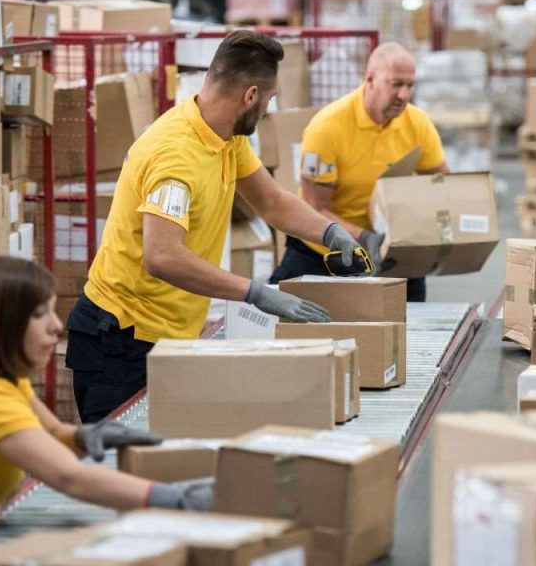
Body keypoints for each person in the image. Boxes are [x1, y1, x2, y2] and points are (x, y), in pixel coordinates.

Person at [67, 30, 364, 423]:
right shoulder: (175, 157)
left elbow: (271, 201)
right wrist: (254, 292)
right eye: (270, 100)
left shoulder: (224, 136)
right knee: (123, 470)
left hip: (166, 336)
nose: (269, 111)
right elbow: (162, 256)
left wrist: (328, 233)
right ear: (251, 96)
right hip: (121, 341)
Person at [0, 257, 212, 566]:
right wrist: (172, 497)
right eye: (40, 314)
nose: (57, 326)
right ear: (2, 325)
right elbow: (69, 476)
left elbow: (52, 434)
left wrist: (86, 436)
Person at [269, 42, 449, 302]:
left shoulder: (417, 124)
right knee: (285, 322)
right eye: (396, 84)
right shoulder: (328, 127)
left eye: (410, 85)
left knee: (412, 328)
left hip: (389, 252)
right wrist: (364, 238)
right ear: (370, 80)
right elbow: (313, 208)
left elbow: (443, 184)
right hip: (324, 253)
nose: (404, 95)